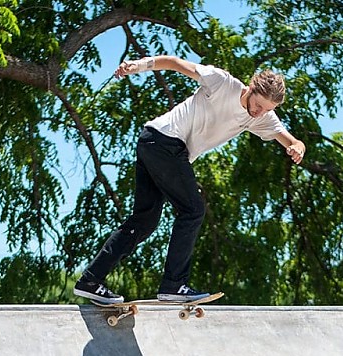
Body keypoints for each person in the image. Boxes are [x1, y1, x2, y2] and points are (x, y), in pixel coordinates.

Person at [73, 55, 306, 304]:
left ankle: (90, 280)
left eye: (267, 110)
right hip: (165, 141)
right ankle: (174, 285)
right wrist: (140, 66)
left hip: (153, 144)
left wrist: (297, 147)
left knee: (144, 220)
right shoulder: (222, 83)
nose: (259, 113)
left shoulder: (261, 117)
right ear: (250, 88)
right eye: (259, 105)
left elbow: (289, 138)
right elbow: (174, 63)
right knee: (192, 210)